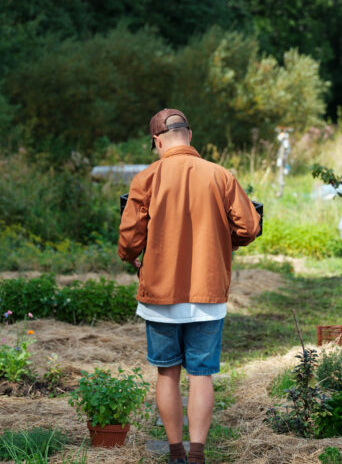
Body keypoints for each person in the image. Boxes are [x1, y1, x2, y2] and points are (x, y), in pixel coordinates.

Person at [118, 109, 261, 464]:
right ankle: (197, 454)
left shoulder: (147, 178)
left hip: (159, 293)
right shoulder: (221, 175)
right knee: (201, 375)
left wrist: (131, 256)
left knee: (167, 374)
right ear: (190, 135)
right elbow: (249, 227)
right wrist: (225, 243)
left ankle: (175, 452)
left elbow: (130, 237)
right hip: (208, 293)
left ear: (157, 141)